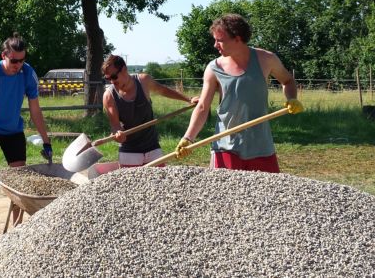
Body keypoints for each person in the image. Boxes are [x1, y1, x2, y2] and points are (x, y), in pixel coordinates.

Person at [176, 14, 303, 172]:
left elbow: (288, 81)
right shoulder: (214, 68)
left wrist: (292, 98)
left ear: (237, 39)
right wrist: (188, 138)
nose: (215, 45)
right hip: (225, 147)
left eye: (220, 40)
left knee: (266, 188)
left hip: (261, 147)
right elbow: (202, 106)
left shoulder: (266, 59)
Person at [0, 34, 52, 252]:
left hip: (14, 129)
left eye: (22, 60)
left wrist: (46, 141)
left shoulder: (28, 73)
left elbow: (35, 110)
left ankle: (17, 230)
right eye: (14, 60)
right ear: (3, 56)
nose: (18, 65)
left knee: (18, 180)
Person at [101, 54, 198, 167]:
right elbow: (115, 125)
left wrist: (189, 99)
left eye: (113, 77)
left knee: (160, 178)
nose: (112, 82)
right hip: (129, 151)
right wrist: (118, 135)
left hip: (152, 147)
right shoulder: (109, 96)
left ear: (124, 69)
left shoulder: (143, 81)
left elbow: (163, 90)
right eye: (108, 78)